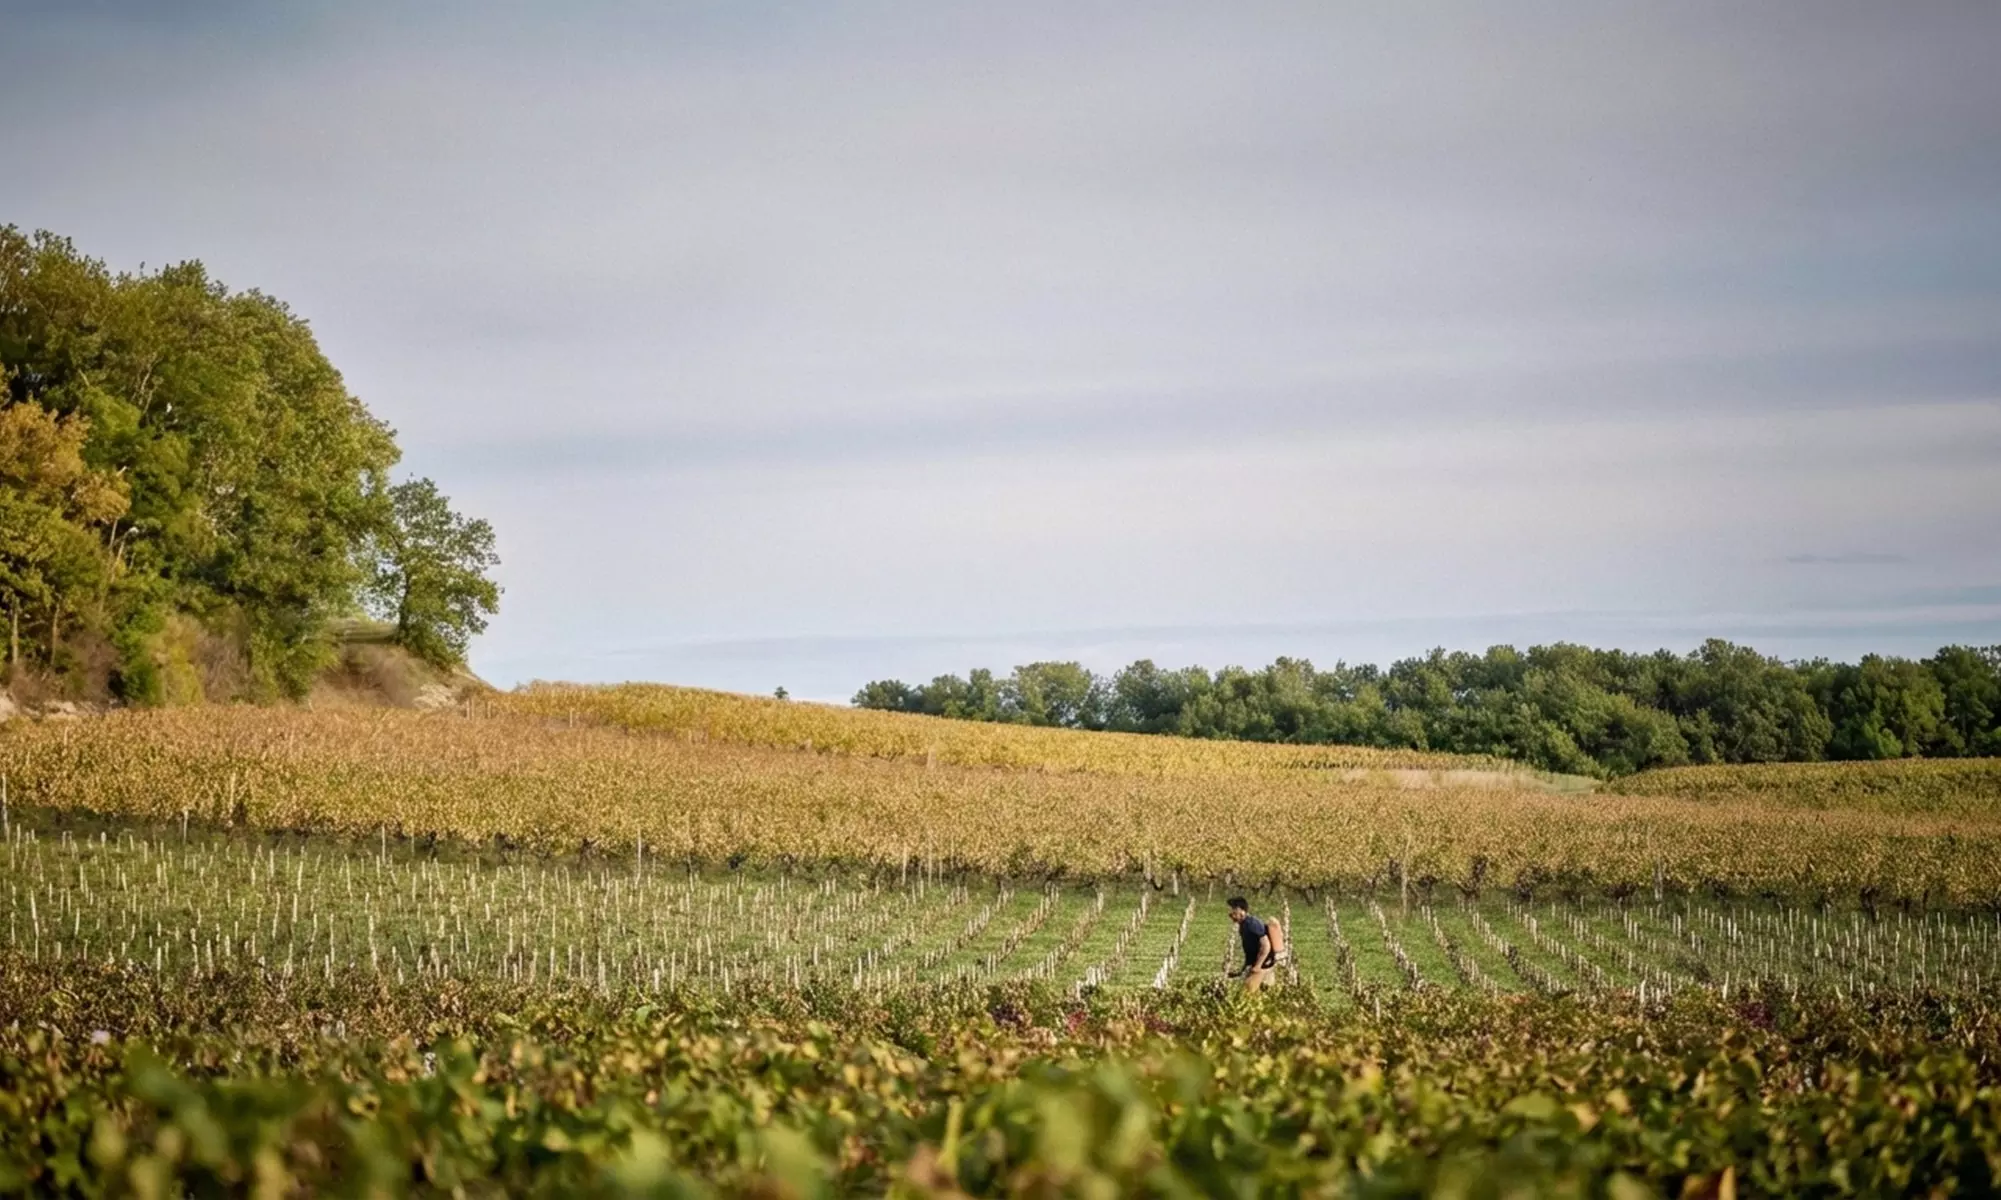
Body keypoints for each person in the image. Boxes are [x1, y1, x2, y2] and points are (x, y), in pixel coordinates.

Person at [1228, 897, 1279, 992]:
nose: (1230, 914)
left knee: (1248, 994)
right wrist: (1241, 972)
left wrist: (1258, 966)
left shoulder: (1252, 924)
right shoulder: (1243, 925)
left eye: (1233, 911)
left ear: (1241, 910)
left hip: (1263, 965)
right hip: (1260, 964)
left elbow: (1266, 946)